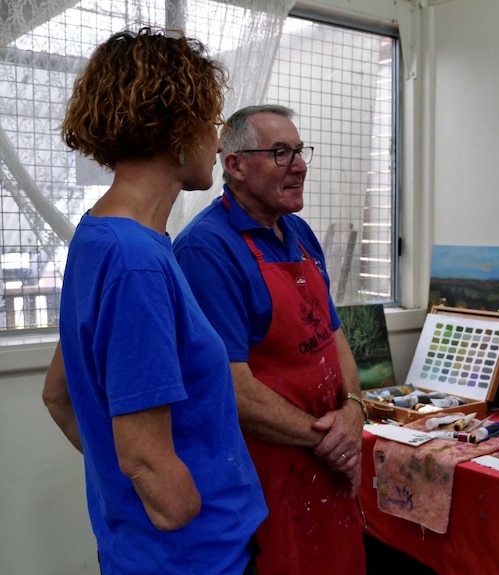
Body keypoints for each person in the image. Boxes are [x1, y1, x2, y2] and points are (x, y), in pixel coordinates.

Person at [41, 28, 267, 575]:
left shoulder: (98, 238)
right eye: (211, 125)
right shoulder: (135, 262)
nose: (217, 143)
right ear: (175, 126)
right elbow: (144, 456)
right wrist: (187, 508)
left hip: (140, 550)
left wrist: (124, 493)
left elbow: (59, 395)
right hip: (193, 557)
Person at [174, 104, 367, 575]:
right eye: (280, 153)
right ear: (234, 165)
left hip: (326, 470)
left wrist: (355, 409)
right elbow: (230, 389)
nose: (299, 166)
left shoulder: (298, 232)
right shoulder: (206, 250)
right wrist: (330, 440)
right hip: (264, 481)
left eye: (300, 152)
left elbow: (332, 335)